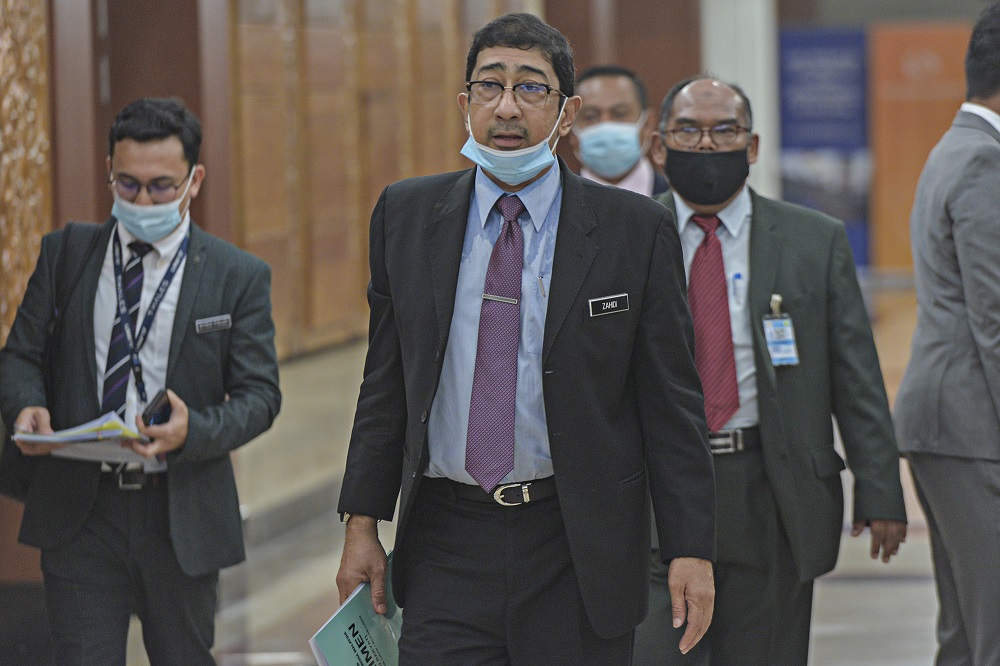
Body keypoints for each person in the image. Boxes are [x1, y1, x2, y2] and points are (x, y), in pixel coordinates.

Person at [336, 13, 715, 665]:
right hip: (447, 542)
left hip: (575, 543)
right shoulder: (406, 215)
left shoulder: (633, 230)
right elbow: (387, 381)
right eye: (490, 86)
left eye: (531, 88)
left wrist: (690, 547)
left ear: (566, 115)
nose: (507, 106)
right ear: (465, 104)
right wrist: (362, 523)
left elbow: (671, 403)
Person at [633, 76, 908, 665]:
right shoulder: (626, 236)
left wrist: (879, 486)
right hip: (659, 491)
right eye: (689, 130)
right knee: (658, 650)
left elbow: (854, 373)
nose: (707, 145)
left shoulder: (814, 240)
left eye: (724, 130)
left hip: (772, 489)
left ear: (752, 146)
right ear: (659, 147)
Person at [0, 97, 281, 664]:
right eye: (127, 184)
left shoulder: (236, 276)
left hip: (179, 514)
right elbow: (20, 355)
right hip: (82, 511)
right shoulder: (67, 255)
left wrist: (192, 430)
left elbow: (260, 397)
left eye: (160, 186)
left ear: (194, 180)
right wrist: (26, 406)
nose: (143, 200)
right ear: (109, 172)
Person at [894, 4, 1000, 663]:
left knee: (966, 631)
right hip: (972, 425)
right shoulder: (983, 163)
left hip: (954, 423)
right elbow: (995, 320)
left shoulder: (960, 148)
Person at [570, 64, 669, 196]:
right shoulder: (555, 202)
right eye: (590, 117)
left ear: (648, 124)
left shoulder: (679, 201)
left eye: (620, 114)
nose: (605, 125)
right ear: (569, 125)